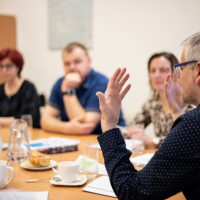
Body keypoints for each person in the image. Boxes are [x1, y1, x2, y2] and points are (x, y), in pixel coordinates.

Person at [96, 31, 200, 199]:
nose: (179, 79)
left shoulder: (193, 121)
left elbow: (132, 192)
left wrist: (109, 124)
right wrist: (176, 112)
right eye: (153, 70)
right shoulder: (153, 103)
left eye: (180, 69)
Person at [41, 42, 125, 135]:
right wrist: (67, 128)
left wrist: (68, 89)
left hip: (110, 142)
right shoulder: (60, 83)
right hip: (77, 140)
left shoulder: (101, 83)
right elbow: (45, 121)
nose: (72, 67)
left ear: (88, 61)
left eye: (77, 62)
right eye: (67, 63)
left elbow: (85, 126)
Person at [127, 52, 193, 146]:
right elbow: (132, 127)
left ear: (175, 73)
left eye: (163, 70)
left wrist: (152, 141)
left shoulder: (187, 102)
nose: (156, 76)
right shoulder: (152, 103)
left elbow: (186, 139)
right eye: (153, 71)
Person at [0, 48, 40, 128]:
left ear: (18, 67)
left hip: (27, 135)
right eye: (1, 66)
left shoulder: (28, 88)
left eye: (8, 66)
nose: (4, 70)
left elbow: (26, 120)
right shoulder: (1, 88)